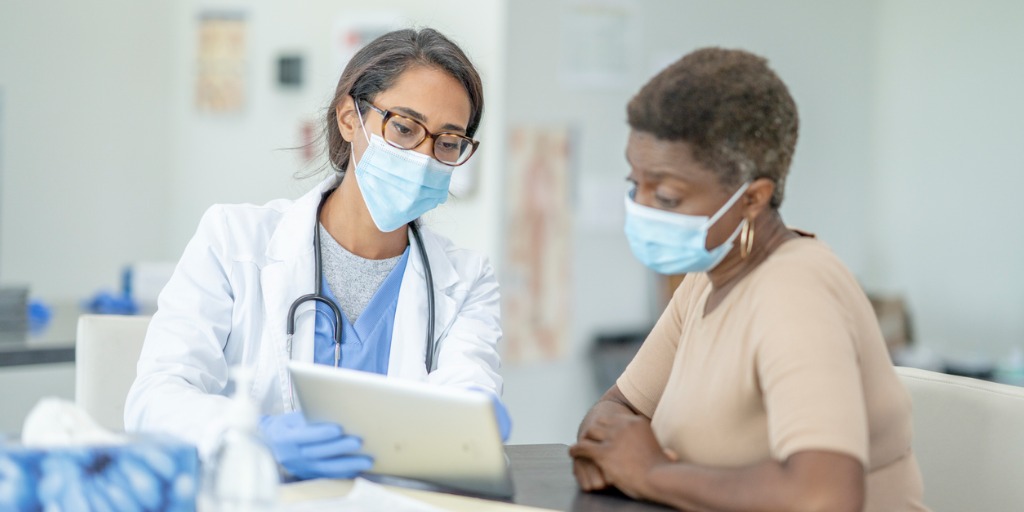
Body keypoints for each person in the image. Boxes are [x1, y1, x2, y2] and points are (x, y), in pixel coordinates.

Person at [125, 28, 510, 481]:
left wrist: (470, 422)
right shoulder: (233, 240)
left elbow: (465, 403)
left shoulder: (465, 280)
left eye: (447, 142)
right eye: (405, 128)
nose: (424, 157)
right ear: (350, 118)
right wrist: (254, 434)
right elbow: (156, 399)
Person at [569, 48, 928, 511]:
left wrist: (651, 472)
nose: (641, 206)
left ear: (753, 198)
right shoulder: (707, 276)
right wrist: (611, 450)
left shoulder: (797, 292)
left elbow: (825, 497)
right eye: (634, 184)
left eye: (668, 195)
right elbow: (619, 407)